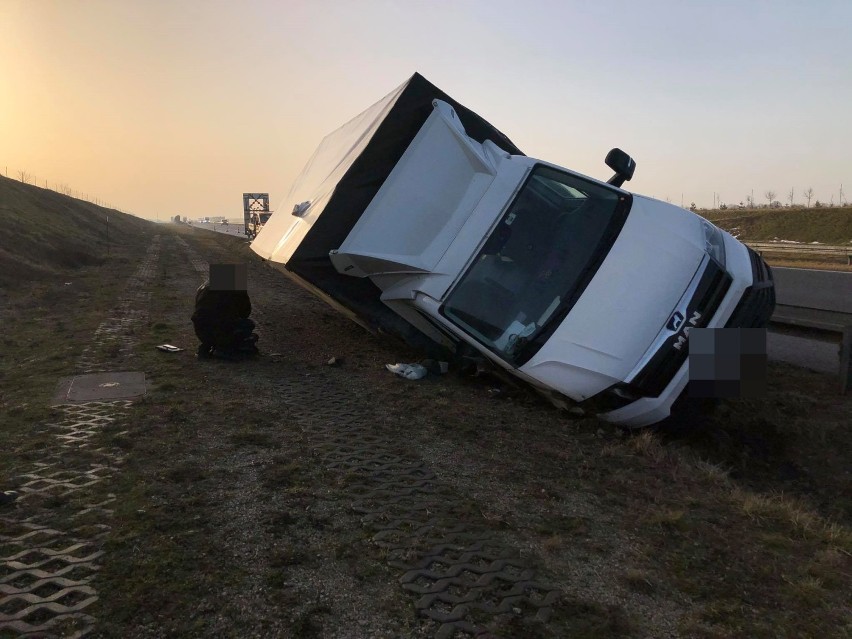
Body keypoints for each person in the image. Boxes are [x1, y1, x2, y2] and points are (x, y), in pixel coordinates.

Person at [191, 264, 258, 358]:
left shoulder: (204, 287)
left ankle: (210, 344)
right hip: (221, 330)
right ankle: (225, 347)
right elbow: (245, 312)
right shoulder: (237, 288)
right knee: (249, 324)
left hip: (201, 332)